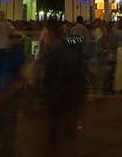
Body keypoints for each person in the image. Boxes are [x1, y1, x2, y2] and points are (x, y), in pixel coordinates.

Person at [39, 18, 87, 157]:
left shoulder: (54, 49)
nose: (43, 36)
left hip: (59, 95)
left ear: (50, 32)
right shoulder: (69, 44)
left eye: (45, 33)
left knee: (54, 132)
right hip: (71, 94)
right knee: (67, 131)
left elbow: (49, 76)